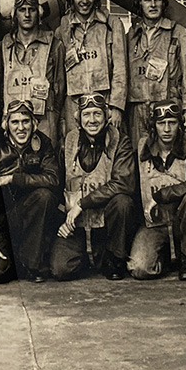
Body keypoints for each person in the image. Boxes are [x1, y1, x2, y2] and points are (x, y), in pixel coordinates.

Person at [50, 93, 137, 281]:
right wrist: (60, 221)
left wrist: (82, 204)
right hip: (75, 226)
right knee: (61, 269)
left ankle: (114, 259)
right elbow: (55, 187)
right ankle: (83, 259)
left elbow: (124, 183)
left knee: (123, 202)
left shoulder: (120, 141)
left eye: (97, 114)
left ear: (106, 116)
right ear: (78, 119)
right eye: (86, 114)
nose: (92, 120)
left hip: (106, 227)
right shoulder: (67, 143)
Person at [0, 99, 62, 284]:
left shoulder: (44, 143)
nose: (21, 128)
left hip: (33, 218)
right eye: (15, 122)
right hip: (2, 220)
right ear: (5, 124)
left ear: (34, 123)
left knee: (44, 196)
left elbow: (53, 179)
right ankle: (18, 260)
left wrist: (11, 178)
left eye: (25, 121)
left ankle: (32, 265)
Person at [128, 100, 186, 281]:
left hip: (184, 223)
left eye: (172, 123)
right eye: (161, 123)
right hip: (155, 223)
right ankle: (163, 256)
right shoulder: (142, 148)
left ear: (180, 125)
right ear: (153, 126)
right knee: (140, 268)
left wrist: (162, 195)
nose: (166, 129)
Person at [125, 0, 186, 151]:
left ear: (163, 4)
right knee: (138, 155)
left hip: (168, 108)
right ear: (140, 4)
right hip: (137, 109)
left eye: (157, 0)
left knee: (168, 155)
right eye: (147, 0)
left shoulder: (179, 34)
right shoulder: (131, 36)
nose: (153, 4)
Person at [55, 0, 128, 133]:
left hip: (105, 102)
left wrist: (117, 107)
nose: (84, 0)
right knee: (75, 144)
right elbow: (59, 78)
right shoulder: (63, 30)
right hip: (74, 105)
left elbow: (120, 69)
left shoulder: (112, 25)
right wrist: (61, 116)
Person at [0, 0, 65, 147]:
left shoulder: (55, 45)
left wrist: (53, 117)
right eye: (22, 10)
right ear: (15, 15)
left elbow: (60, 88)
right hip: (14, 122)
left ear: (39, 13)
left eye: (32, 10)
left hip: (44, 120)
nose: (27, 15)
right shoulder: (4, 46)